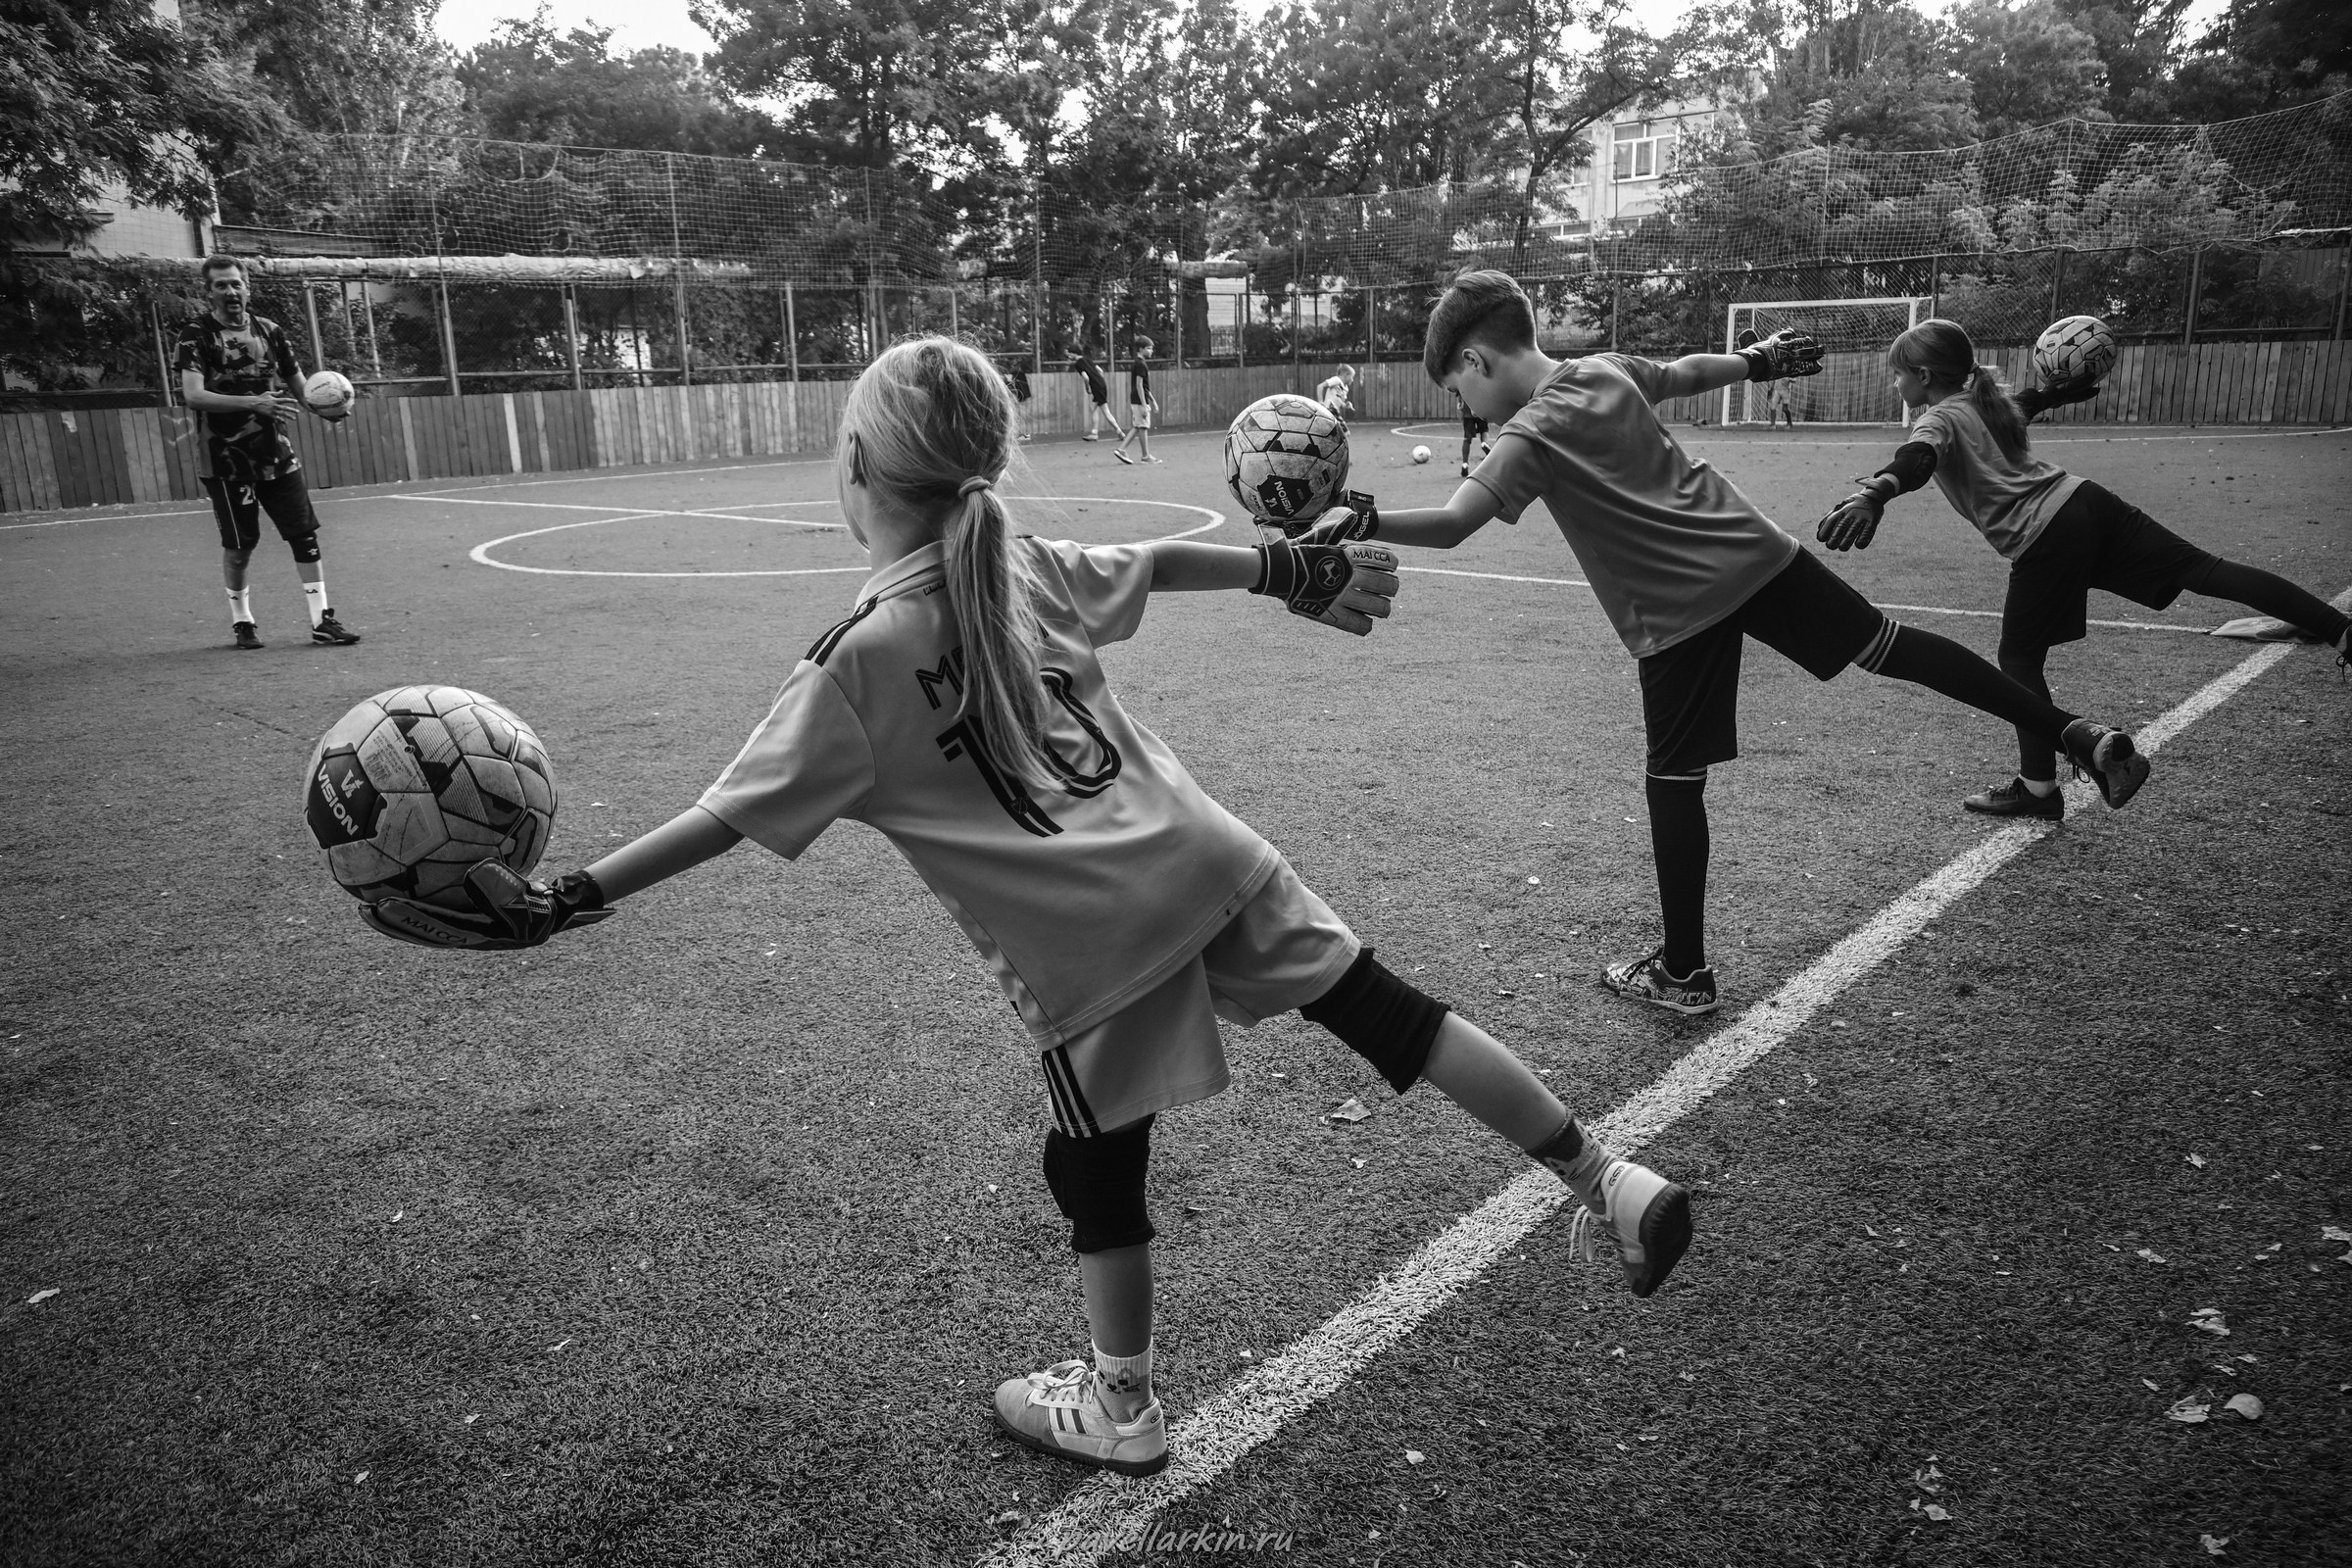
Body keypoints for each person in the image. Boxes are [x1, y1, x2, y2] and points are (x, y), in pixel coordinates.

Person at [357, 336, 1695, 1480]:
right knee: (1394, 1016)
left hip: (1089, 948)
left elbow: (724, 814)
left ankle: (1119, 1406)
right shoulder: (1019, 559)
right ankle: (1607, 1177)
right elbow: (1163, 563)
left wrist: (571, 897)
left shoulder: (859, 659)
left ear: (860, 475)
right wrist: (1288, 575)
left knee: (1095, 1167)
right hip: (1210, 854)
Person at [1304, 270, 2149, 1016]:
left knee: (1674, 781)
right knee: (1892, 646)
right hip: (1754, 549)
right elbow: (1682, 374)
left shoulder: (1530, 431)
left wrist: (1367, 513)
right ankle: (2078, 734)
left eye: (1458, 390)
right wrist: (1759, 361)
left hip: (1675, 613)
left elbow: (1456, 524)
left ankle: (1683, 972)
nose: (1464, 409)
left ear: (1478, 363)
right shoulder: (1602, 369)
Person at [1816, 318, 2352, 819]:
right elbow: (2025, 401)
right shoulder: (1990, 403)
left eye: (1898, 374)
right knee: (2204, 569)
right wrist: (2052, 393)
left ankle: (2039, 790)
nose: (1896, 384)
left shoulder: (1938, 418)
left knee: (2019, 659)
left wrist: (1877, 493)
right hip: (2088, 503)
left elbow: (1918, 460)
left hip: (2045, 534)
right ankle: (2342, 631)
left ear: (1923, 375)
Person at [174, 255, 361, 650]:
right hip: (225, 460)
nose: (230, 291)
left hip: (276, 455)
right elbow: (193, 395)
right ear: (208, 292)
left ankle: (322, 621)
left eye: (236, 284)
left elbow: (300, 389)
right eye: (221, 285)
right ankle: (242, 620)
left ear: (248, 287)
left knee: (304, 535)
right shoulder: (196, 334)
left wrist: (329, 407)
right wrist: (253, 403)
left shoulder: (270, 331)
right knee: (240, 548)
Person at [1111, 338, 1162, 465]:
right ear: (1141, 349)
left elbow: (1144, 387)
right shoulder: (1140, 364)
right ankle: (1145, 456)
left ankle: (1122, 449)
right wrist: (1145, 405)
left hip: (1139, 400)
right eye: (1149, 348)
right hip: (1140, 401)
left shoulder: (1140, 363)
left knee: (1138, 426)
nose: (1151, 351)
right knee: (1143, 427)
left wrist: (1153, 400)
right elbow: (1139, 385)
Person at [1070, 351, 1123, 442]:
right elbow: (1100, 370)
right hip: (1101, 384)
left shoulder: (1078, 364)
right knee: (1092, 407)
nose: (1069, 356)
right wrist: (1100, 381)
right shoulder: (1087, 359)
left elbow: (1086, 377)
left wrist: (1087, 388)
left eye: (1070, 354)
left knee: (1106, 411)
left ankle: (1119, 432)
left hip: (1096, 387)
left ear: (1075, 353)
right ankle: (1094, 433)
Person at [1457, 392, 1491, 478]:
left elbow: (1459, 399)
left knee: (1467, 438)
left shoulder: (1462, 379)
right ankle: (1484, 443)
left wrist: (1461, 411)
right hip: (1480, 408)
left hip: (1467, 411)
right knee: (1484, 430)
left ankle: (1465, 464)